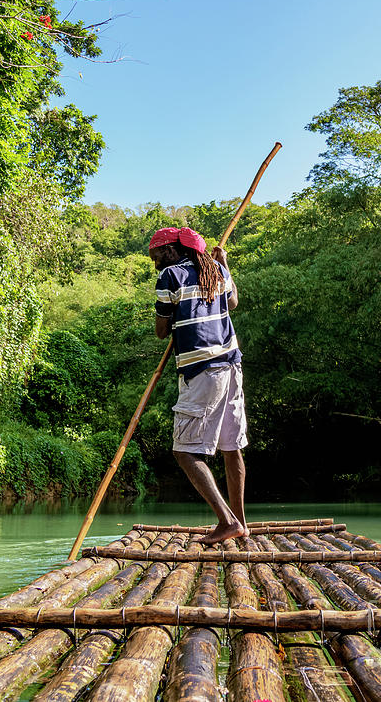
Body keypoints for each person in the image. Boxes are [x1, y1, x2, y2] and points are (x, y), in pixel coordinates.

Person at [148, 226, 249, 544]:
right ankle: (240, 524)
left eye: (155, 257)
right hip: (232, 366)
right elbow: (232, 302)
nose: (155, 264)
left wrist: (173, 316)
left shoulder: (170, 276)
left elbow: (162, 330)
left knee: (185, 452)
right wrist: (226, 263)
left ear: (170, 250)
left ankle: (228, 521)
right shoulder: (217, 269)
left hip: (202, 370)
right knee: (231, 448)